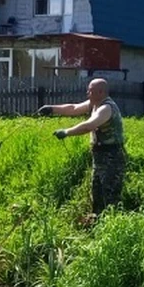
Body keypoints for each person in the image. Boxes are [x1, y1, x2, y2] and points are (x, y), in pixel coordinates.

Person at [37, 78, 126, 216]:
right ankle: (97, 222)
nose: (87, 92)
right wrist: (51, 109)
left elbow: (89, 125)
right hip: (99, 156)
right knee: (96, 191)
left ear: (101, 92)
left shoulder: (106, 108)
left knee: (109, 193)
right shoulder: (93, 103)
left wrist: (67, 132)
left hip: (112, 157)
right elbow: (73, 108)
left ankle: (113, 225)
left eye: (90, 90)